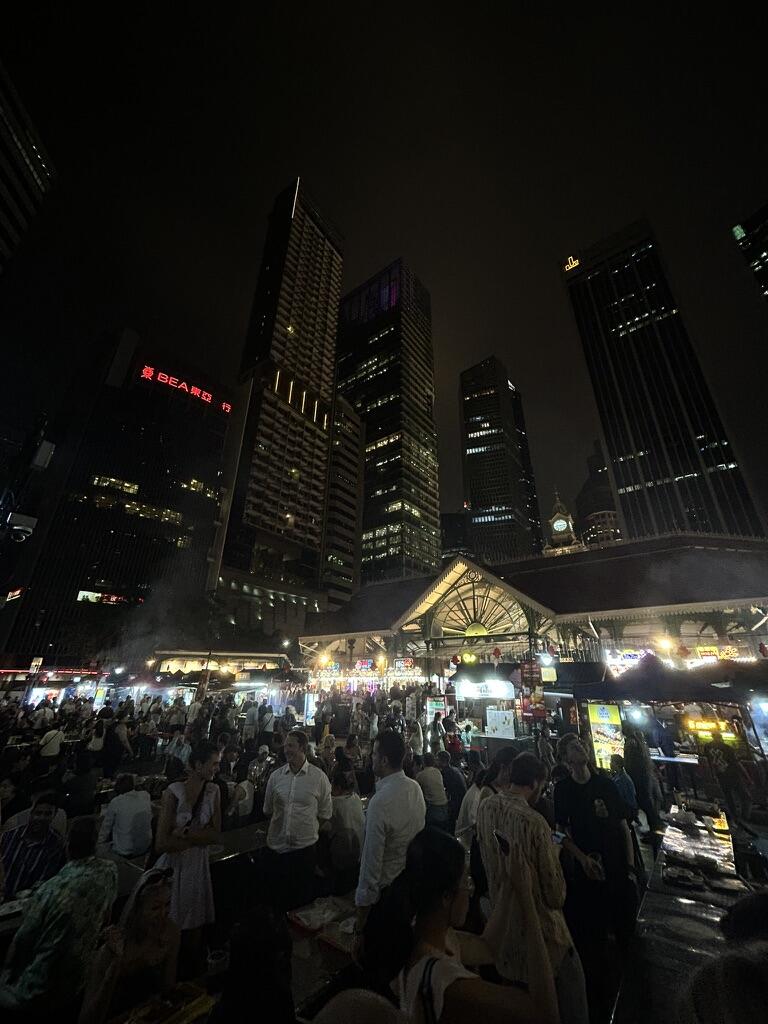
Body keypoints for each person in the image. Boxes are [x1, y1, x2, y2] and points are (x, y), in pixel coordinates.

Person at [363, 827, 559, 1024]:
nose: (470, 892)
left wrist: (509, 883)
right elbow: (544, 1013)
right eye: (466, 883)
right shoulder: (443, 981)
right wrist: (527, 900)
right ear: (446, 897)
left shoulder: (425, 938)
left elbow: (487, 948)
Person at [477, 752, 588, 1024]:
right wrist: (555, 853)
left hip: (504, 939)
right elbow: (555, 895)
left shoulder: (485, 808)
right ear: (536, 783)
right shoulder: (534, 823)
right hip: (546, 944)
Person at [0, 817, 117, 1017]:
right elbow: (107, 916)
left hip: (38, 988)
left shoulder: (50, 890)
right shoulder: (109, 871)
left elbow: (21, 943)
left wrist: (6, 974)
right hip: (79, 978)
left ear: (67, 846)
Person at [554, 736, 636, 956]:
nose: (581, 747)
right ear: (566, 759)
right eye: (574, 747)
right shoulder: (562, 789)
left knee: (625, 929)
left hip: (616, 865)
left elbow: (623, 827)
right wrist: (582, 859)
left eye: (582, 744)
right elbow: (559, 834)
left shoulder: (606, 785)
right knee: (593, 931)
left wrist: (630, 868)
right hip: (586, 870)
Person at [79, 867, 180, 1023]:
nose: (163, 914)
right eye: (155, 908)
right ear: (138, 910)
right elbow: (87, 1019)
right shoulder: (111, 949)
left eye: (167, 905)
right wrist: (115, 966)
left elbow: (168, 990)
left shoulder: (170, 932)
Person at [354, 730, 426, 950]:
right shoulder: (414, 788)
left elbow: (371, 865)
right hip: (410, 887)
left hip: (385, 898)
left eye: (374, 754)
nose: (371, 757)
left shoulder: (380, 803)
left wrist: (361, 922)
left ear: (384, 760)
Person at [155, 742, 221, 965]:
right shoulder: (173, 793)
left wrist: (184, 833)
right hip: (174, 868)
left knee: (195, 924)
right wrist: (199, 836)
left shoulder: (213, 791)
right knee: (169, 924)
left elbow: (215, 835)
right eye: (213, 764)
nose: (216, 768)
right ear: (198, 765)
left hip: (197, 866)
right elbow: (161, 843)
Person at [262, 729, 332, 909]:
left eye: (291, 746)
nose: (286, 749)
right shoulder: (276, 777)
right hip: (277, 848)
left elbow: (325, 814)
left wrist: (305, 829)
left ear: (302, 748)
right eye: (285, 746)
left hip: (304, 852)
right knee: (276, 900)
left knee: (301, 902)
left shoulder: (319, 778)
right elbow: (268, 810)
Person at [0, 790, 67, 900]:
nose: (41, 818)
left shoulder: (56, 845)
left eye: (47, 814)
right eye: (38, 813)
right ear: (31, 814)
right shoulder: (9, 837)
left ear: (54, 816)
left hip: (26, 902)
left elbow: (47, 883)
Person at [98, 773, 153, 857]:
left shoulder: (116, 802)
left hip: (124, 850)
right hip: (146, 846)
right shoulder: (146, 796)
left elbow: (106, 828)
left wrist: (99, 843)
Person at [705, 732, 753, 826]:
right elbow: (737, 763)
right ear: (721, 737)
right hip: (733, 775)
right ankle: (744, 818)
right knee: (746, 797)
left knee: (729, 798)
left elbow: (710, 762)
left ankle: (734, 818)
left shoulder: (707, 747)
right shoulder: (727, 748)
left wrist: (713, 775)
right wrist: (747, 777)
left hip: (720, 776)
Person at [417, 753, 451, 830]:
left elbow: (416, 789)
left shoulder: (421, 775)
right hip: (445, 807)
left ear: (423, 762)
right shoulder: (437, 772)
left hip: (433, 809)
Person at [437, 750, 467, 831]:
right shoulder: (456, 769)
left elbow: (445, 790)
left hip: (455, 803)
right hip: (462, 800)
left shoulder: (446, 772)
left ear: (441, 760)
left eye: (437, 759)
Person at [610, 754, 639, 821]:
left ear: (617, 764)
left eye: (611, 761)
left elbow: (629, 800)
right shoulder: (618, 776)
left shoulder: (623, 780)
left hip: (627, 810)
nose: (610, 763)